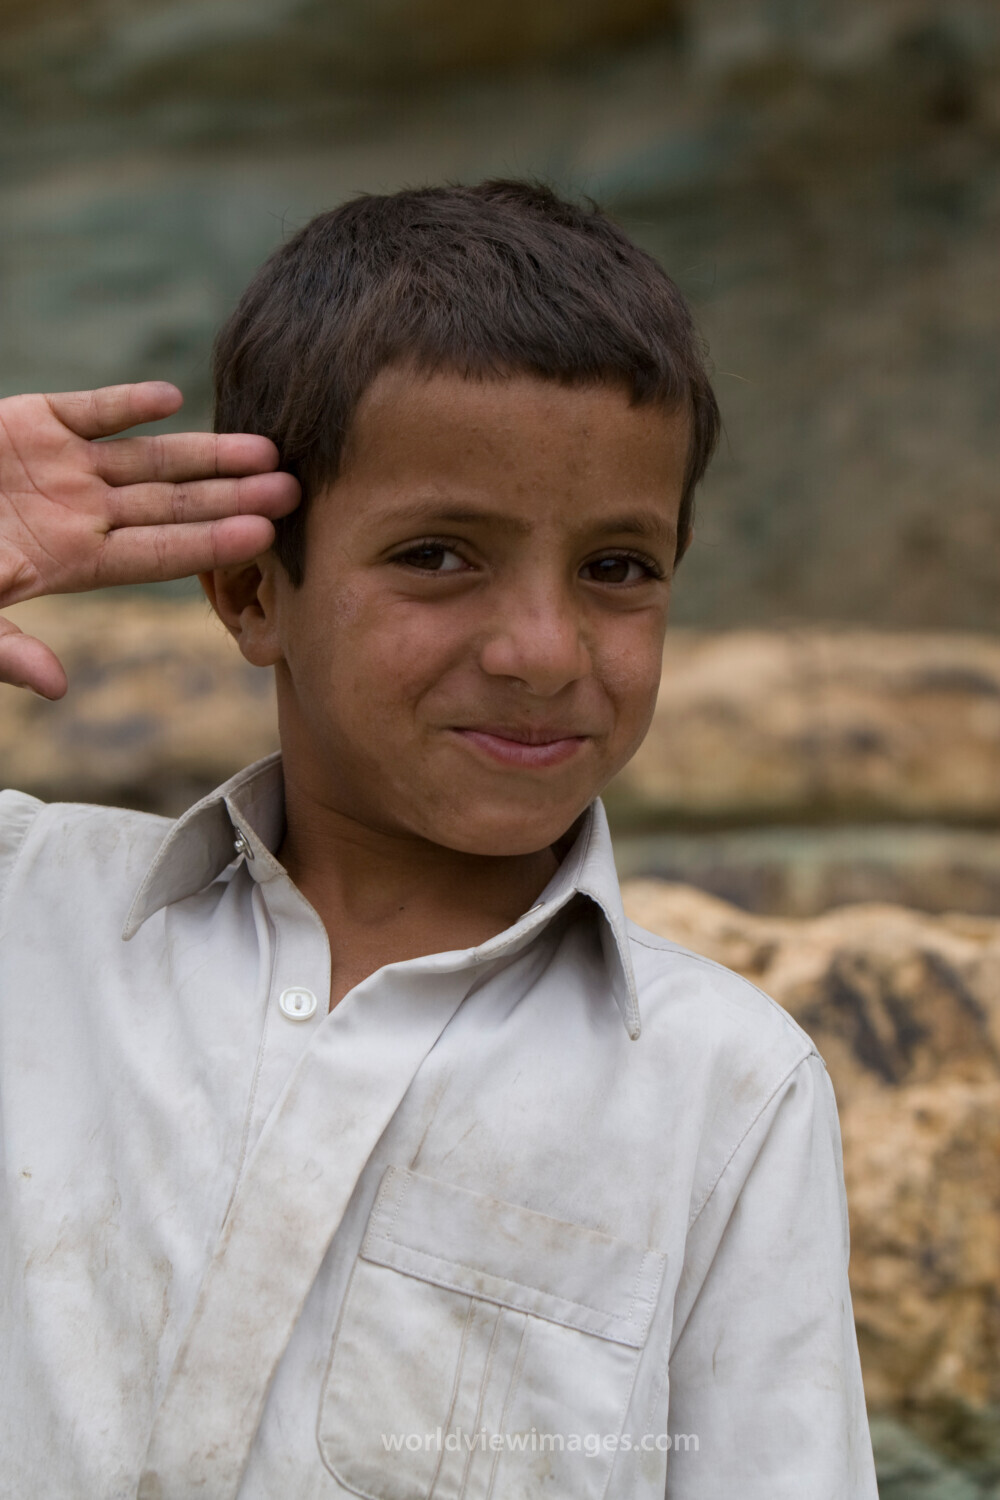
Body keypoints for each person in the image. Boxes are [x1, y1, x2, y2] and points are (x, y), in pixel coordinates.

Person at [0, 181, 878, 1499]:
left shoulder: (728, 1090)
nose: (541, 649)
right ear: (254, 592)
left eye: (618, 569)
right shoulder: (28, 915)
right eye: (439, 556)